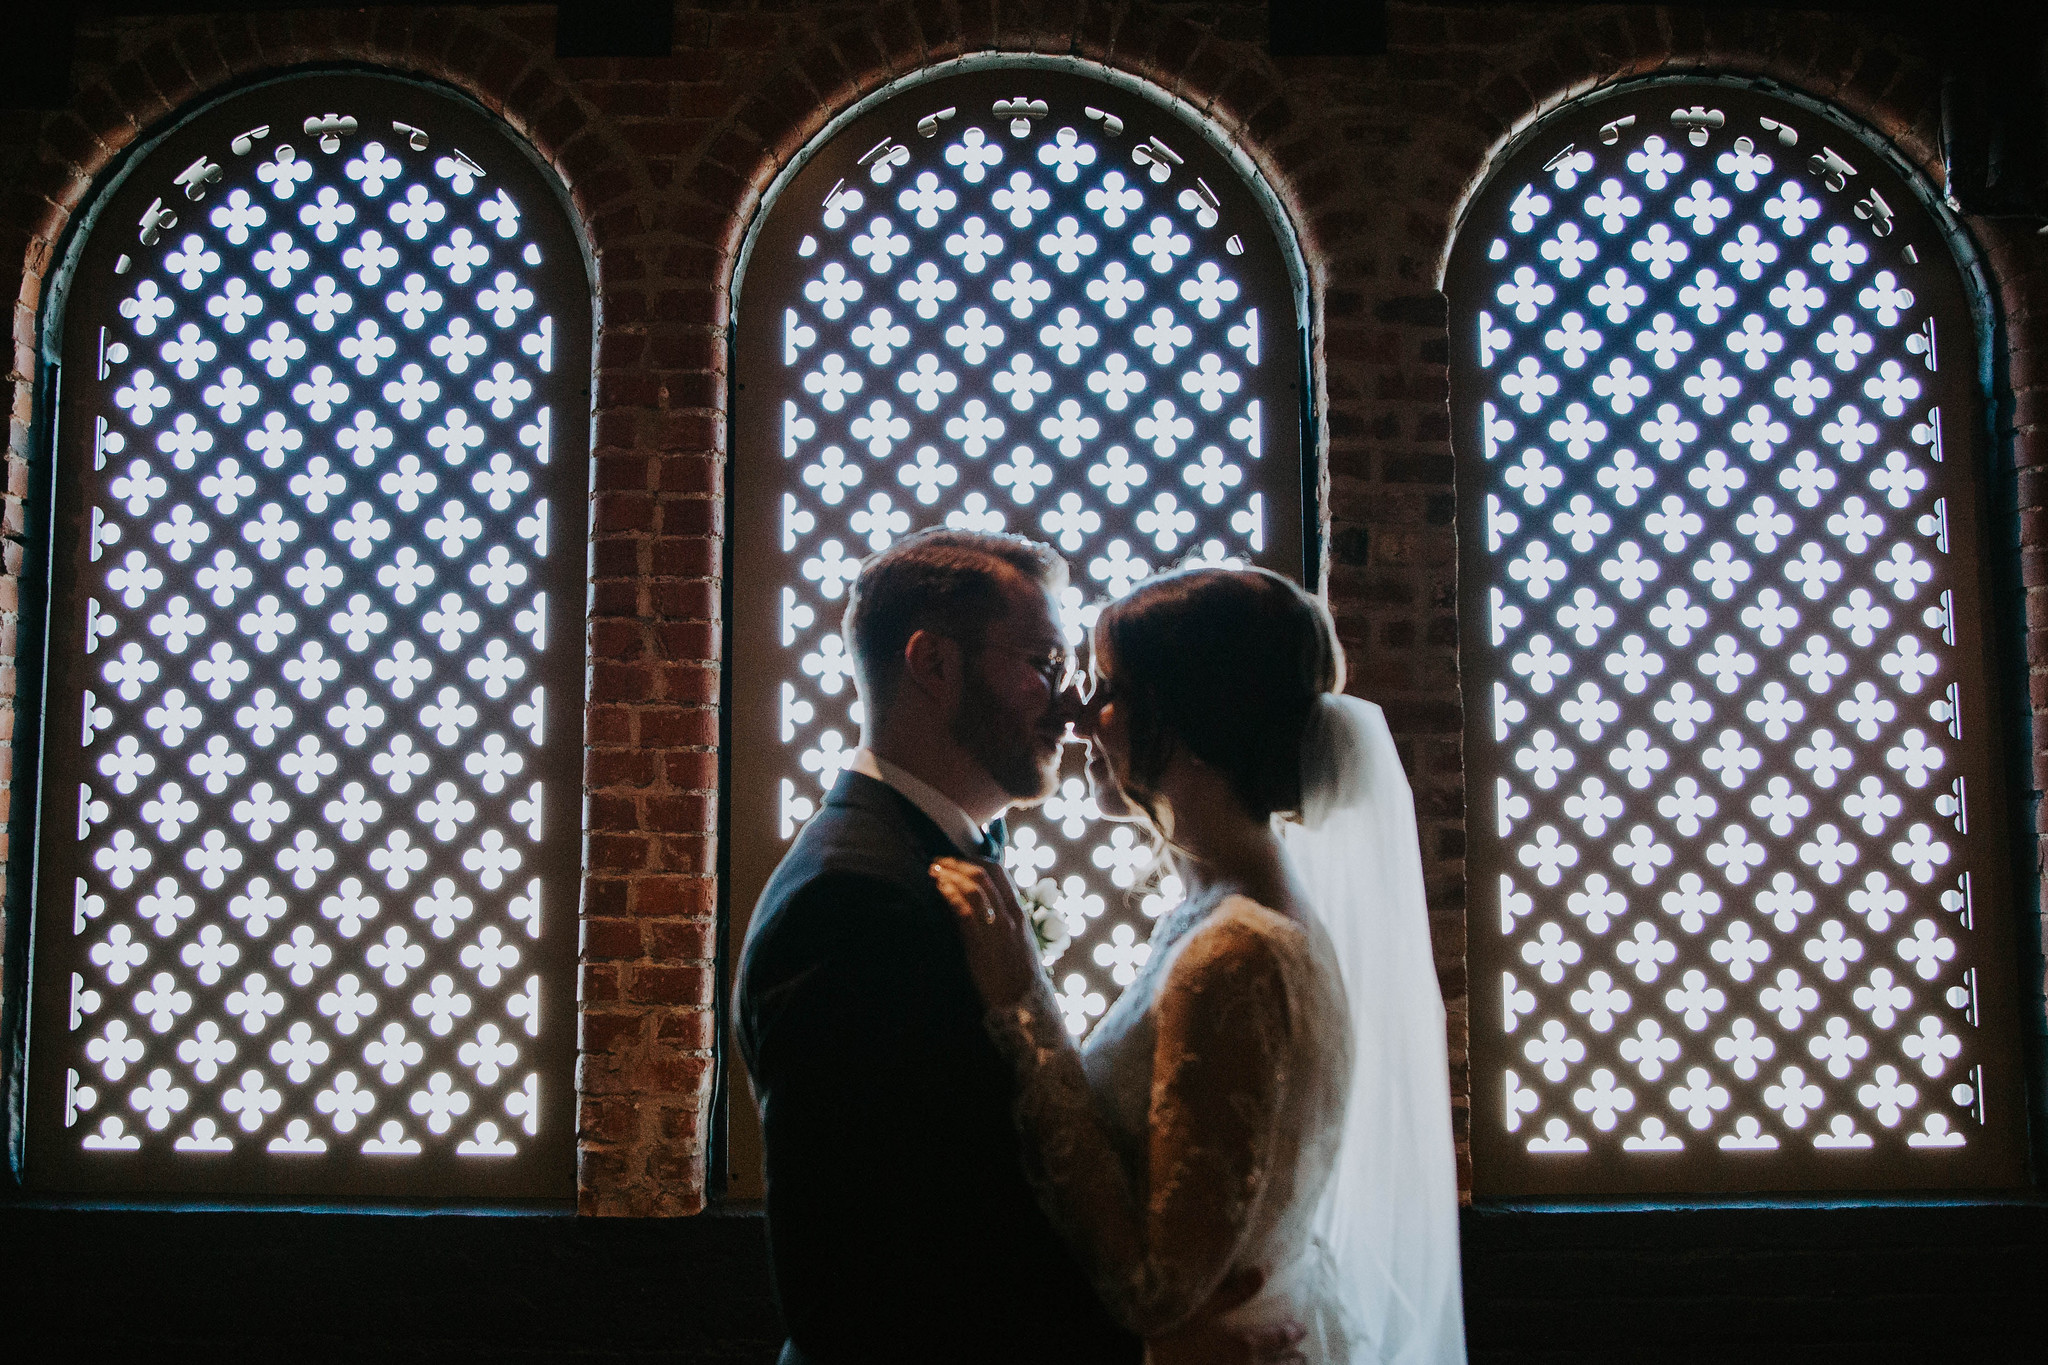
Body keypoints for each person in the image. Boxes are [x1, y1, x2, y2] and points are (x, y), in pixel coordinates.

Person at [736, 530, 1307, 1365]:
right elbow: (859, 1285)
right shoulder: (850, 900)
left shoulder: (941, 859)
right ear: (932, 663)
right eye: (1042, 661)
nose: (1069, 706)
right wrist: (1144, 1352)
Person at [931, 565, 1467, 1364]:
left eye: (1109, 686)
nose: (1079, 713)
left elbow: (1154, 1288)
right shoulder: (1226, 909)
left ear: (1185, 714)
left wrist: (1021, 1002)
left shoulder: (1238, 951)